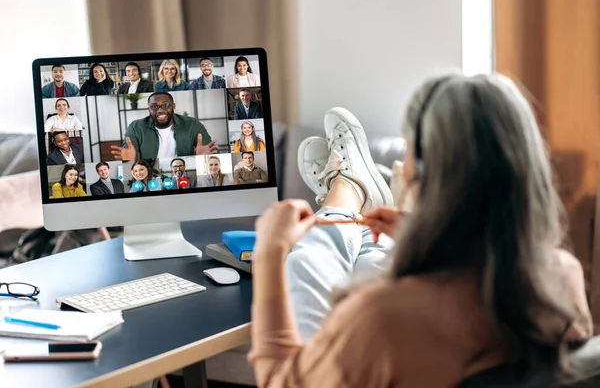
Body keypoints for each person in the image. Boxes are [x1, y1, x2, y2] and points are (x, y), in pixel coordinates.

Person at [248, 76, 594, 388]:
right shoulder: (562, 277)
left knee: (304, 262)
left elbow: (281, 381)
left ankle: (345, 194)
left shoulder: (380, 319)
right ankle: (352, 197)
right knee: (373, 256)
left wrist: (268, 254)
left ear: (424, 174)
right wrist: (428, 236)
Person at [110, 92, 218, 161]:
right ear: (149, 108)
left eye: (166, 105)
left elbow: (212, 155)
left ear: (173, 106)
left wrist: (203, 159)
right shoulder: (135, 127)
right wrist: (129, 161)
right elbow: (125, 158)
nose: (160, 110)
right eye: (154, 106)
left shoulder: (192, 124)